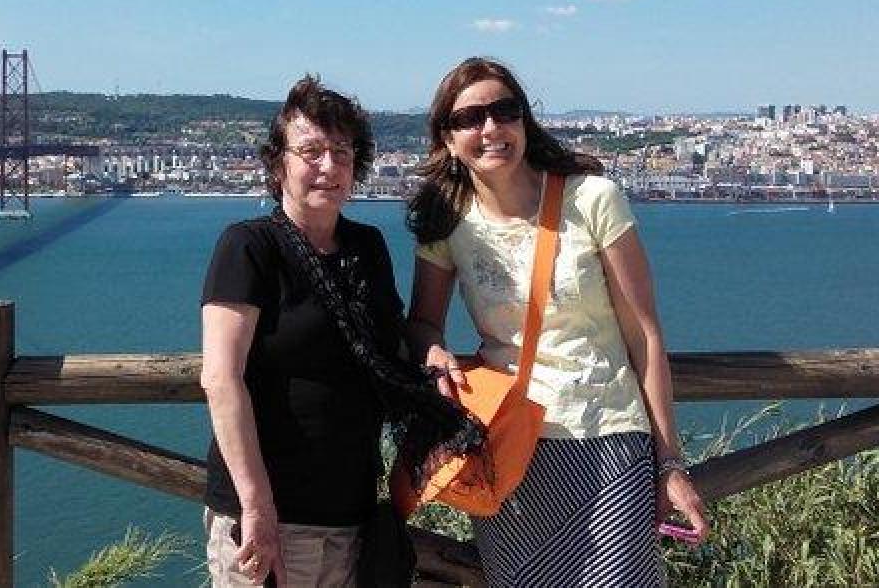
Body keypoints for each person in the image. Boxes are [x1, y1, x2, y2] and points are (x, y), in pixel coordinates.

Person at [405, 57, 709, 588]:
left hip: (607, 441)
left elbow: (645, 335)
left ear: (525, 121)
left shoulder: (592, 198)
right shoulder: (447, 220)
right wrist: (434, 354)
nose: (491, 128)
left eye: (505, 111)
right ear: (447, 139)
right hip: (507, 447)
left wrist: (669, 461)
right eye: (470, 118)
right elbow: (423, 323)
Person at [200, 75, 483, 588]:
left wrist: (432, 349)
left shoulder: (366, 247)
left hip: (352, 514)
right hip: (271, 517)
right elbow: (221, 380)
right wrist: (257, 506)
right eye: (311, 151)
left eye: (342, 151)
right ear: (278, 162)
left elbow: (393, 342)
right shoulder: (248, 248)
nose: (329, 166)